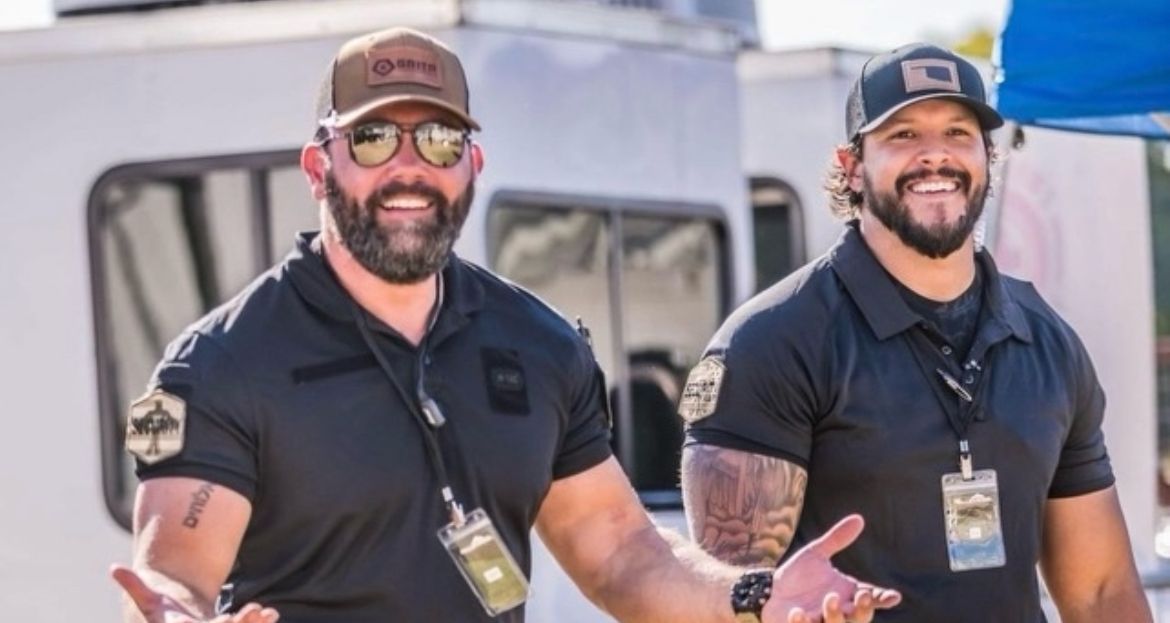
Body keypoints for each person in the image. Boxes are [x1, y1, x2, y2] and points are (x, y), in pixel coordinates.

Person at [109, 27, 901, 623]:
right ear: (319, 165)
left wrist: (757, 593)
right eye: (375, 137)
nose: (410, 165)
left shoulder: (539, 344)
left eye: (441, 137)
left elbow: (623, 553)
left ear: (473, 166)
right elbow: (178, 563)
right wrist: (176, 610)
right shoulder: (223, 363)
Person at [679, 42, 1152, 622]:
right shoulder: (773, 341)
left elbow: (1102, 592)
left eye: (958, 132)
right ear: (852, 166)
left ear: (986, 156)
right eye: (902, 135)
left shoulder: (1048, 341)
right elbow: (727, 598)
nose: (936, 156)